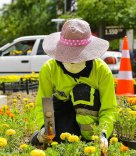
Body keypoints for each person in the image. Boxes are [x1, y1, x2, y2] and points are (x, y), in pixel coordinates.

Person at [30, 19, 118, 149]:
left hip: (91, 114)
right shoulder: (49, 69)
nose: (73, 61)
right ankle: (40, 136)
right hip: (64, 110)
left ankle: (89, 136)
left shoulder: (102, 71)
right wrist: (45, 127)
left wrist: (103, 133)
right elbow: (44, 103)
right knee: (63, 140)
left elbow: (109, 107)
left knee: (82, 91)